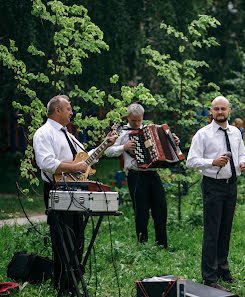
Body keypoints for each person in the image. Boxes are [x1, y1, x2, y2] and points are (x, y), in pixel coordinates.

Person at [33, 95, 117, 293]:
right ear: (58, 110)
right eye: (68, 108)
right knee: (63, 241)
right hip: (57, 190)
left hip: (76, 190)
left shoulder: (68, 135)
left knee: (78, 240)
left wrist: (105, 145)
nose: (72, 112)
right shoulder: (44, 133)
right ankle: (62, 287)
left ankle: (73, 285)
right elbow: (45, 162)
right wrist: (73, 167)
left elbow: (84, 160)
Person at [186, 96, 245, 292]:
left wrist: (244, 162)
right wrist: (212, 162)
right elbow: (191, 161)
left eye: (223, 108)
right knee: (212, 232)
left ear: (229, 111)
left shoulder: (236, 132)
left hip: (231, 185)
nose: (220, 112)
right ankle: (209, 277)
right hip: (213, 185)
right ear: (210, 112)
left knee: (225, 229)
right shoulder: (202, 134)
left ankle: (223, 270)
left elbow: (242, 152)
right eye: (216, 109)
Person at [105, 103, 179, 247]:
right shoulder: (121, 132)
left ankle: (162, 245)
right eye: (134, 121)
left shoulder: (148, 130)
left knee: (161, 209)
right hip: (136, 175)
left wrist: (173, 141)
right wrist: (123, 147)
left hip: (153, 173)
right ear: (128, 117)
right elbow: (108, 151)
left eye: (139, 120)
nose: (137, 123)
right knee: (141, 212)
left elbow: (164, 145)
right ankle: (142, 244)